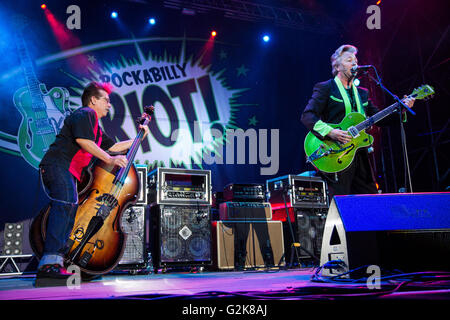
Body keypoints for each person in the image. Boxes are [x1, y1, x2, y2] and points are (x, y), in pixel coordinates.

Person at [35, 82, 149, 287]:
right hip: (58, 166)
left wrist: (138, 138)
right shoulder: (85, 113)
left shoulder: (94, 125)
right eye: (106, 100)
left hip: (65, 171)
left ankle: (54, 264)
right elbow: (84, 142)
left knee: (68, 208)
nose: (109, 105)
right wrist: (110, 159)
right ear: (93, 100)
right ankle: (48, 267)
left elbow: (114, 147)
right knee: (66, 207)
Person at [301, 44, 415, 199]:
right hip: (335, 153)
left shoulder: (362, 94)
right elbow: (308, 115)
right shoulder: (326, 88)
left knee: (369, 198)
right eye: (349, 60)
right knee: (341, 200)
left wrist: (401, 109)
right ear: (338, 66)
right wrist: (331, 132)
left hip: (359, 152)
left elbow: (379, 119)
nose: (355, 63)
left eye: (355, 60)